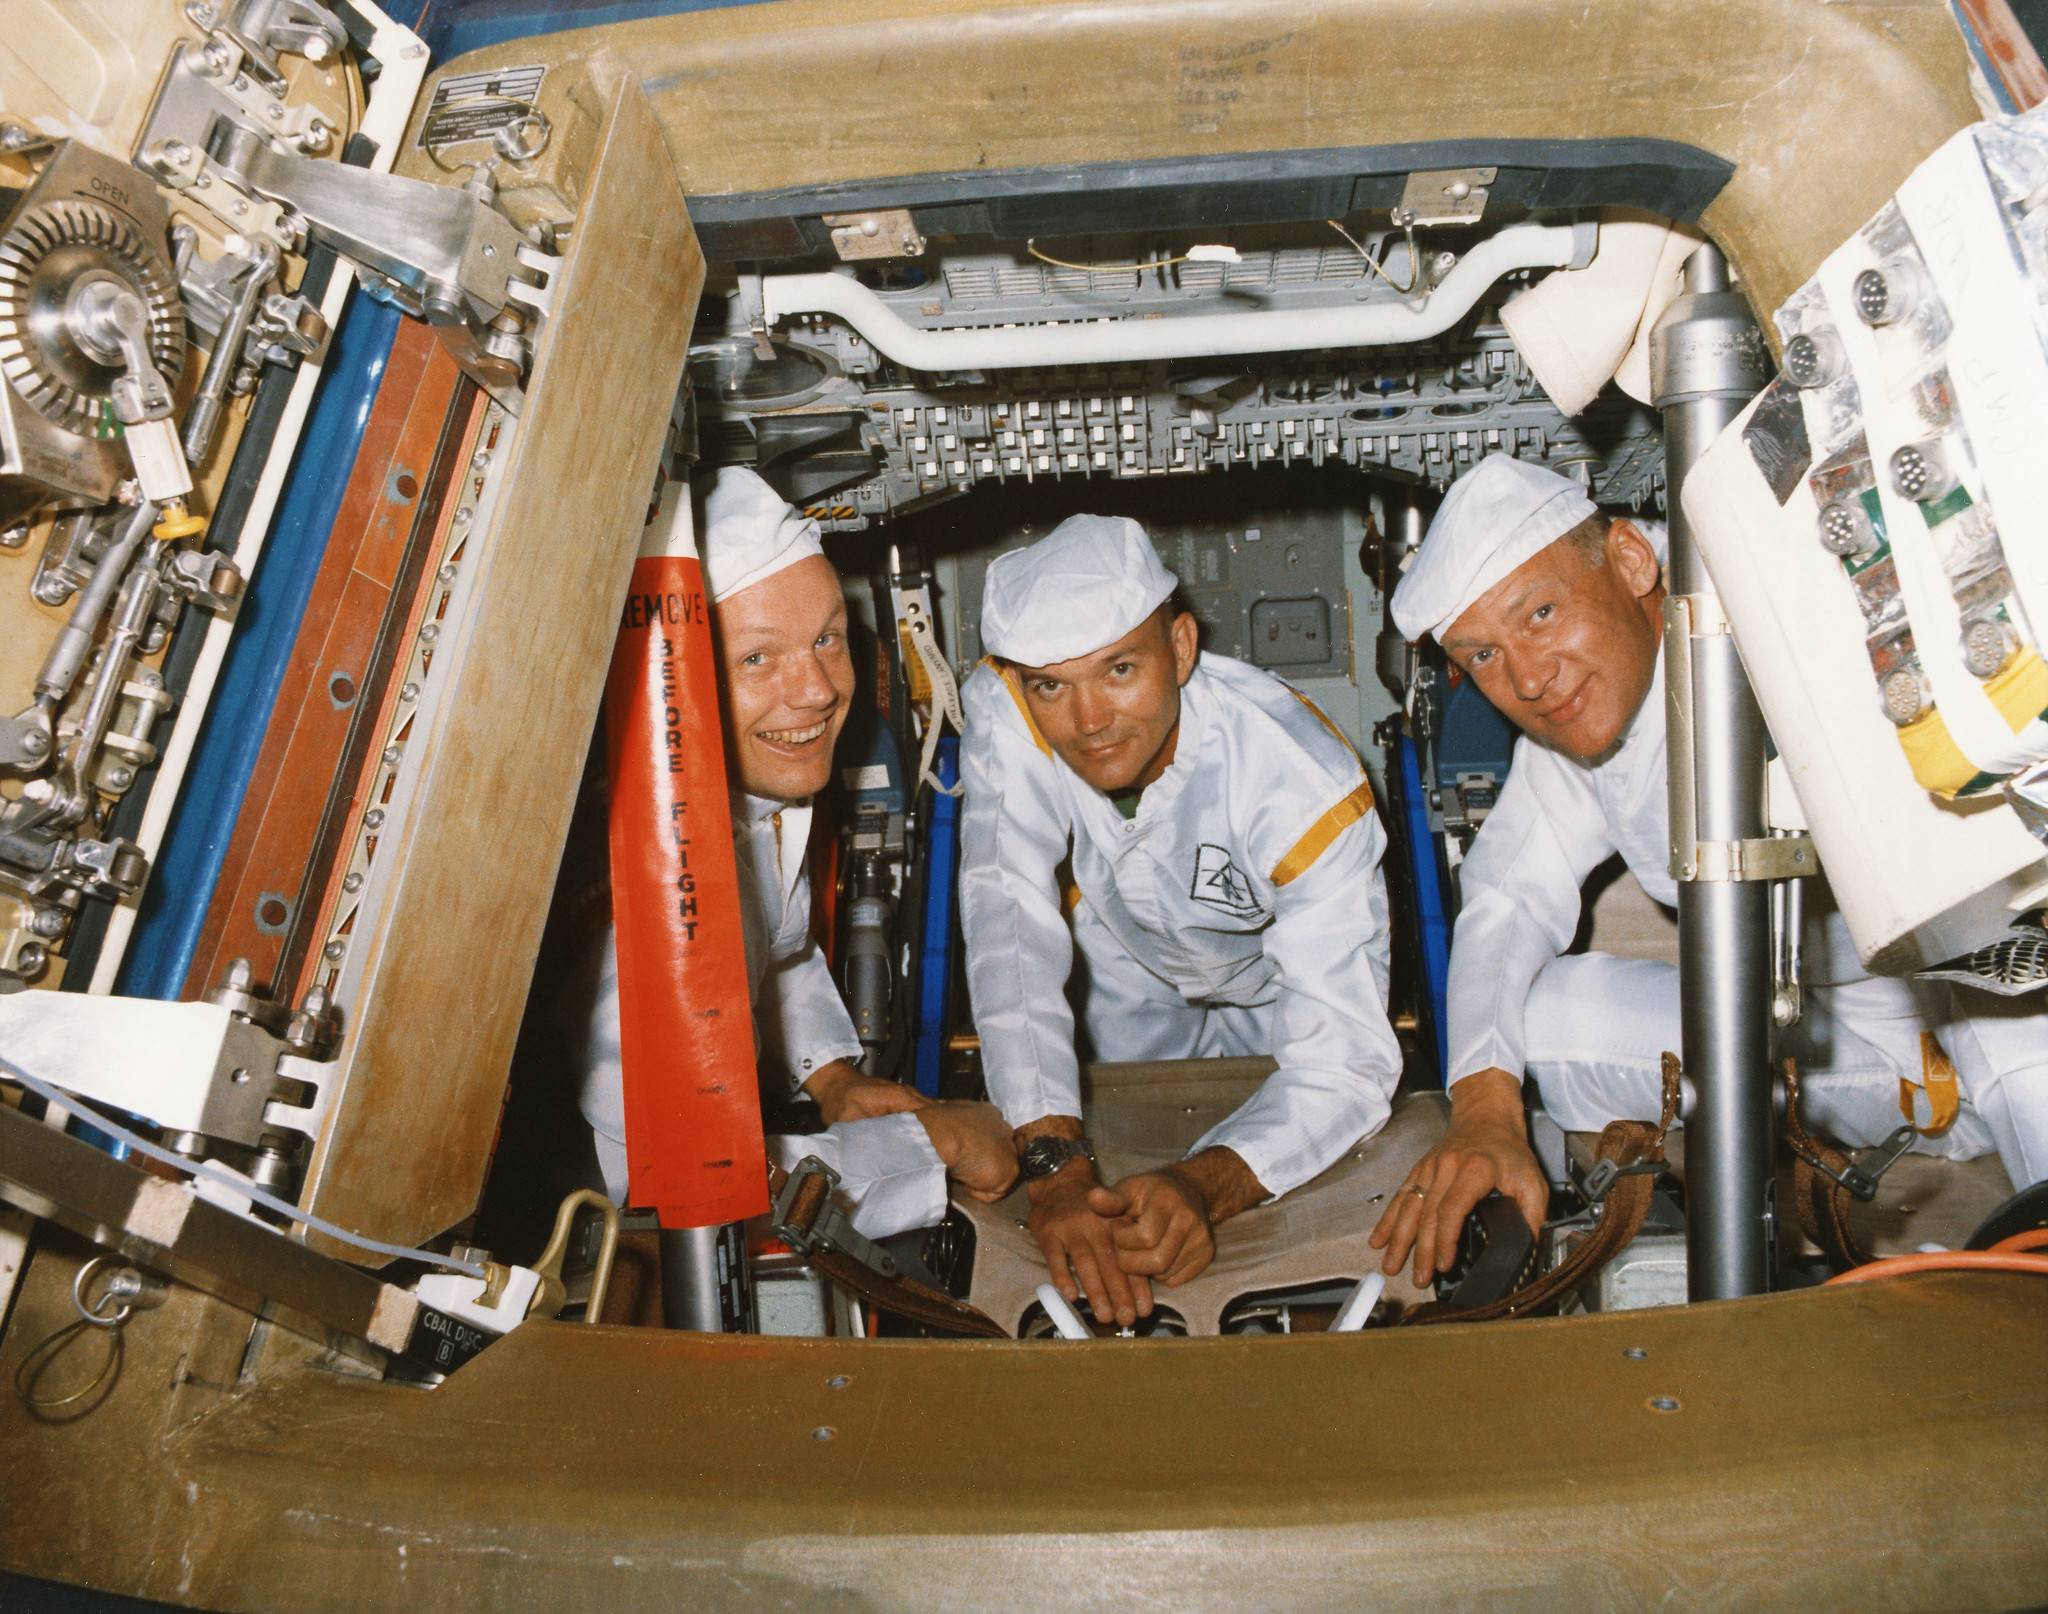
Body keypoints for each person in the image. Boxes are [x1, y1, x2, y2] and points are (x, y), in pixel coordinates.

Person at [1369, 452, 2048, 1285]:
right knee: (1539, 1023)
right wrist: (1482, 1111)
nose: (1529, 679)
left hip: (1999, 971)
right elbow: (1506, 900)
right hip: (1858, 1033)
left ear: (1631, 560)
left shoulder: (1778, 596)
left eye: (1541, 614)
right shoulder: (1585, 711)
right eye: (1482, 657)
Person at [959, 513, 1405, 1327]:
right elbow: (1007, 915)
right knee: (1111, 1207)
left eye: (1119, 669)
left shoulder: (1299, 782)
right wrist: (1055, 1170)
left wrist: (1205, 1184)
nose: (1089, 720)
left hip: (1274, 979)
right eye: (1053, 686)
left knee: (1285, 1177)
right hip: (1116, 958)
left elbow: (1344, 1065)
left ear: (1182, 647)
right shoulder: (1009, 701)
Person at [566, 467, 1015, 1239]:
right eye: (757, 659)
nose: (816, 691)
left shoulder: (759, 795)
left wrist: (831, 1077)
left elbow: (778, 945)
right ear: (671, 684)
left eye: (827, 639)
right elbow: (651, 1184)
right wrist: (928, 1148)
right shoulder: (638, 892)